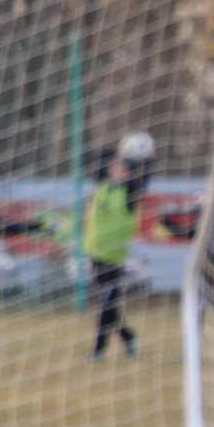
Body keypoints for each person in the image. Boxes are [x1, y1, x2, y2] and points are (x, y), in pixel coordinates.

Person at [83, 141, 148, 360]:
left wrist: (138, 156)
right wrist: (117, 153)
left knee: (106, 304)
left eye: (123, 167)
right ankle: (127, 336)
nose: (118, 170)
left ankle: (98, 351)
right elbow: (100, 155)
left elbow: (145, 174)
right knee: (107, 304)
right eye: (114, 166)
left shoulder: (129, 193)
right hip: (95, 254)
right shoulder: (102, 187)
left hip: (113, 259)